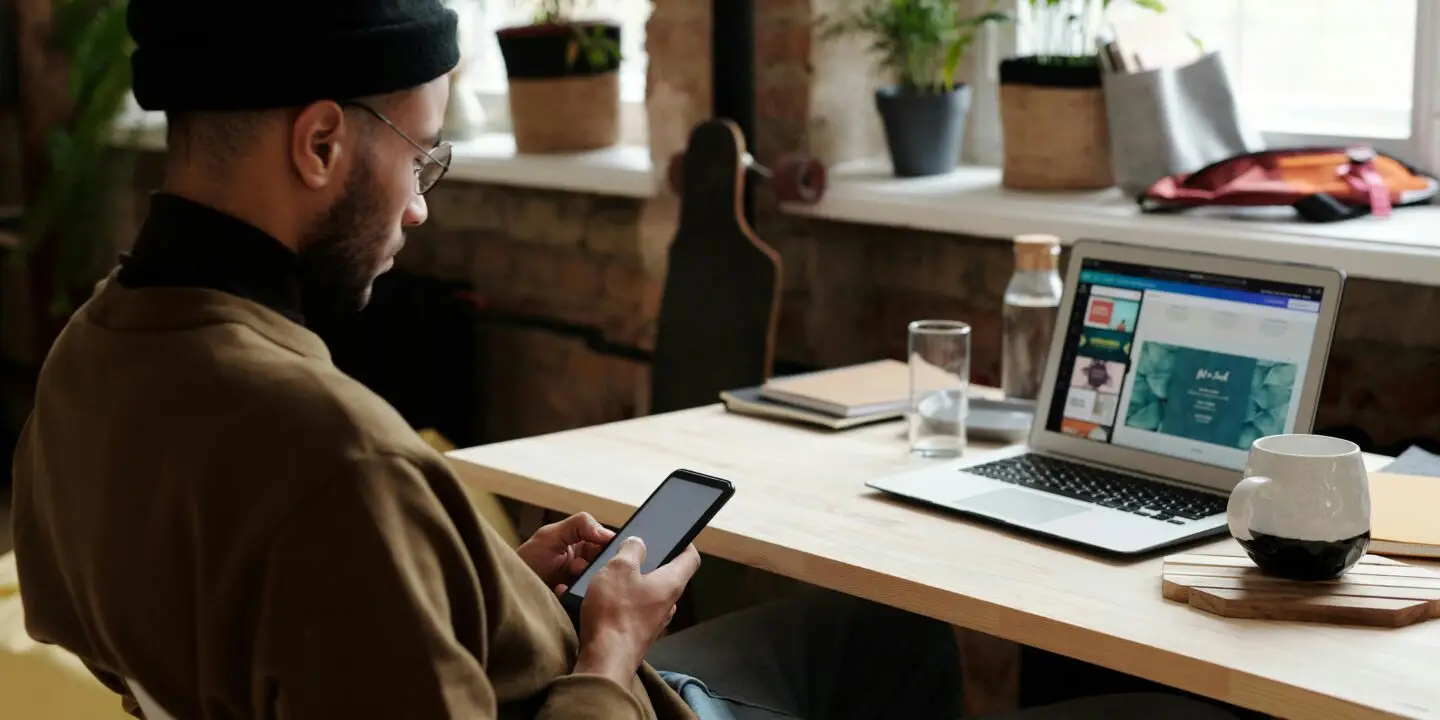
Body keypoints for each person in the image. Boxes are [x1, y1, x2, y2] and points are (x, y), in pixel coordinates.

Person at [9, 1, 1243, 718]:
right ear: (324, 143)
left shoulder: (88, 358)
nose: (422, 208)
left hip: (527, 671)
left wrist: (492, 585)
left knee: (879, 637)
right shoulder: (329, 453)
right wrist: (605, 648)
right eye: (423, 159)